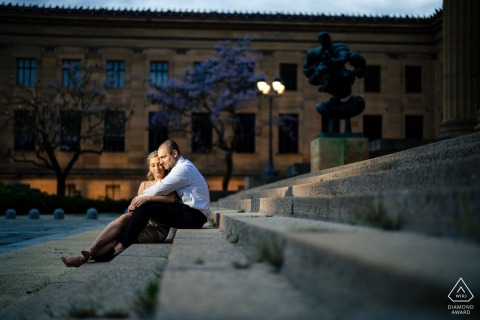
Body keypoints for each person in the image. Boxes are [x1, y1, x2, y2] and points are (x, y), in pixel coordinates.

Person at [61, 150, 176, 267]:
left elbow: (171, 199)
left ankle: (85, 256)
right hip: (139, 223)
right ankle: (90, 251)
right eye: (153, 165)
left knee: (119, 234)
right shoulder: (144, 184)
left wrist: (147, 198)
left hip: (156, 230)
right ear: (149, 168)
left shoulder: (169, 183)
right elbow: (138, 209)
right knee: (124, 219)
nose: (157, 167)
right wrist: (132, 207)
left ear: (164, 164)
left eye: (159, 164)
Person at [113, 139, 209, 254]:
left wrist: (140, 198)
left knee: (146, 205)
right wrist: (141, 199)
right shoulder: (181, 167)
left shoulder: (183, 168)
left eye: (163, 157)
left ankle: (121, 246)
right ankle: (118, 242)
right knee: (144, 205)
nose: (161, 162)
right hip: (191, 213)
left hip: (194, 216)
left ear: (174, 153)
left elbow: (160, 187)